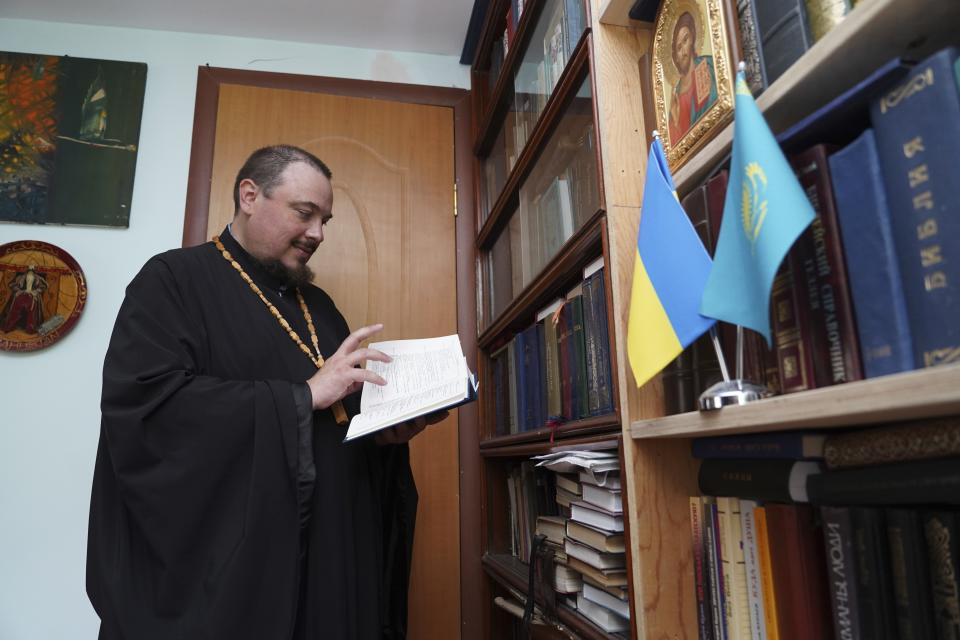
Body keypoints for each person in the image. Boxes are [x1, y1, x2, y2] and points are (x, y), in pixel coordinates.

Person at [87, 144, 445, 639]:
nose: (317, 233)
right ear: (250, 195)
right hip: (242, 566)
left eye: (326, 219)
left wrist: (383, 436)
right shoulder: (173, 280)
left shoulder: (318, 305)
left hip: (332, 548)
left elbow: (336, 420)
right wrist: (300, 398)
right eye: (305, 213)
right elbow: (148, 407)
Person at [667, 10, 718, 146]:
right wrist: (676, 121)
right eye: (678, 47)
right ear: (674, 56)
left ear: (693, 38)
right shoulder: (675, 97)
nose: (684, 52)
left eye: (686, 39)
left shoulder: (707, 65)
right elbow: (676, 149)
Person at [1, 264, 48, 334]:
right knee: (15, 310)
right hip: (21, 295)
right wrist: (19, 291)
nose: (31, 270)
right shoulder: (20, 277)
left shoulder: (38, 278)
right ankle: (9, 327)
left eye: (32, 269)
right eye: (29, 269)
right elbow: (11, 284)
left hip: (32, 296)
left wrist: (35, 292)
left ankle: (30, 329)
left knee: (31, 312)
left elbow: (44, 286)